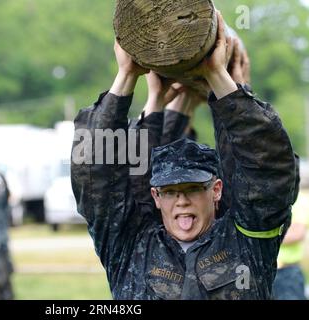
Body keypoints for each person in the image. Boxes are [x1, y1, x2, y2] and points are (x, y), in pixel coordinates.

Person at [71, 12, 297, 299]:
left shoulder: (246, 240)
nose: (181, 200)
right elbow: (92, 173)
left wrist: (221, 79)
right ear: (156, 196)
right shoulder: (128, 246)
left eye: (192, 188)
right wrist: (127, 76)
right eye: (170, 191)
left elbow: (267, 166)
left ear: (216, 190)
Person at [273, 176, 309, 300]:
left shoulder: (299, 199)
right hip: (261, 273)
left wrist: (262, 240)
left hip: (287, 273)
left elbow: (297, 233)